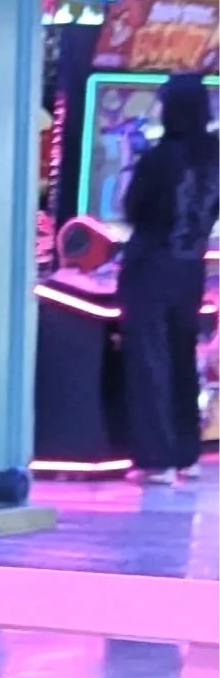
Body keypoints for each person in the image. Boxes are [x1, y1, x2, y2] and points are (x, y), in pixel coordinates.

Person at [119, 70, 217, 482]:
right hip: (190, 268)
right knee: (180, 360)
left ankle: (156, 460)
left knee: (149, 363)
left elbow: (131, 210)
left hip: (150, 267)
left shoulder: (158, 159)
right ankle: (186, 453)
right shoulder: (215, 154)